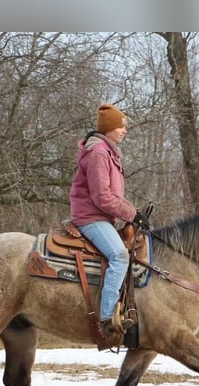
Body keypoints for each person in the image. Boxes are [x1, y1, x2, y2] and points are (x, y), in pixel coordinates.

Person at [69, 103, 150, 342]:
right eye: (120, 126)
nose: (124, 131)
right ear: (108, 129)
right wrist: (131, 214)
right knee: (119, 255)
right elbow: (101, 196)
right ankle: (106, 319)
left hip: (102, 216)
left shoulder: (109, 152)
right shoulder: (98, 153)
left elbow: (113, 196)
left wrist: (133, 212)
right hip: (90, 217)